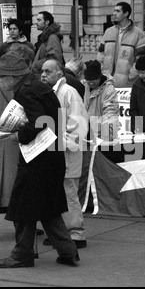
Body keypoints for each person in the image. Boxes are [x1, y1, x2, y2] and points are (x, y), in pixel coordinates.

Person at [0, 67, 80, 269]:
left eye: (1, 78)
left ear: (11, 77)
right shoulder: (39, 87)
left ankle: (22, 254)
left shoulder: (26, 91)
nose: (0, 83)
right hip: (52, 157)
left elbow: (38, 122)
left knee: (22, 208)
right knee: (48, 208)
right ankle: (68, 251)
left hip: (37, 159)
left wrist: (19, 136)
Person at [0, 50, 34, 238]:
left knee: (9, 183)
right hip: (12, 139)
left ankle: (1, 216)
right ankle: (17, 224)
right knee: (14, 183)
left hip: (4, 137)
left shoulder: (0, 86)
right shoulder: (11, 86)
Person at [40, 59, 89, 249]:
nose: (43, 75)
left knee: (69, 193)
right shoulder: (51, 92)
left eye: (48, 71)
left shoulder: (69, 93)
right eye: (42, 71)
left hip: (66, 153)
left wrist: (61, 144)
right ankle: (61, 233)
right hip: (55, 152)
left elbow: (78, 125)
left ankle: (76, 234)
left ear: (59, 74)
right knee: (58, 193)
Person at [97, 2, 145, 87]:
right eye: (114, 11)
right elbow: (100, 55)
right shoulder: (109, 31)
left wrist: (129, 77)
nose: (114, 13)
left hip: (127, 84)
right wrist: (102, 72)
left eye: (118, 11)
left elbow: (142, 60)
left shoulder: (138, 34)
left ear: (126, 13)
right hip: (106, 81)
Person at [82, 60, 119, 141]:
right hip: (85, 134)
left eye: (93, 80)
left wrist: (107, 135)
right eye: (88, 80)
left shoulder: (109, 90)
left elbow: (111, 113)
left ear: (99, 76)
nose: (91, 83)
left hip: (100, 135)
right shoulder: (83, 86)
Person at [31, 11, 64, 78]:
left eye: (39, 20)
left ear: (47, 22)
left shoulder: (52, 37)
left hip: (48, 76)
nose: (36, 23)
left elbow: (54, 58)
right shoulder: (45, 37)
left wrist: (36, 64)